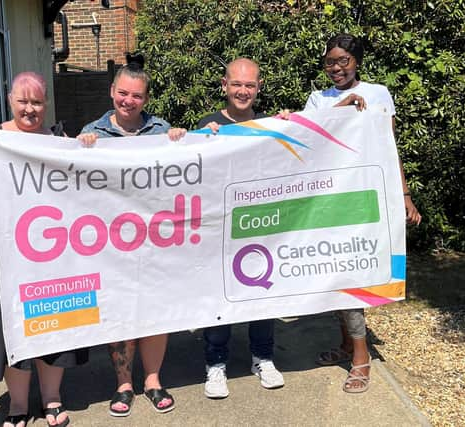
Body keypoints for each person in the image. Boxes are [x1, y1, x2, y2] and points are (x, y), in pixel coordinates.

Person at [0, 72, 88, 427]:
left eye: (37, 102)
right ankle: (18, 405)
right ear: (10, 100)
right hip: (2, 240)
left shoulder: (57, 140)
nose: (30, 108)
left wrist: (86, 147)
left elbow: (83, 180)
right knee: (10, 316)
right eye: (23, 101)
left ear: (46, 105)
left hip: (52, 242)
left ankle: (52, 400)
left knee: (52, 309)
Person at [302, 34, 422, 393]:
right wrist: (340, 111)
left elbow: (389, 147)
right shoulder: (317, 99)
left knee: (353, 274)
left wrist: (404, 194)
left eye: (344, 61)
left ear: (357, 61)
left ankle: (361, 357)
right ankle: (345, 345)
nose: (336, 68)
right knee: (335, 274)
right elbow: (306, 139)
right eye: (330, 62)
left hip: (363, 198)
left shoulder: (379, 93)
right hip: (327, 199)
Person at [77, 53, 183, 417]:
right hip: (110, 243)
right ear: (112, 91)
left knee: (155, 310)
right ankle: (123, 384)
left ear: (146, 99)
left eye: (137, 96)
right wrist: (79, 149)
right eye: (123, 93)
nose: (128, 101)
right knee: (119, 310)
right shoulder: (92, 132)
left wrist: (179, 140)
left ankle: (153, 380)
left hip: (154, 239)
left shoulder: (160, 130)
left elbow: (183, 171)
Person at [197, 58, 284, 399]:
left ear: (258, 88)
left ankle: (262, 357)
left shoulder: (271, 127)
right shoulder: (207, 126)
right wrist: (195, 140)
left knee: (262, 292)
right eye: (237, 84)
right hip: (220, 229)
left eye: (250, 85)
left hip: (261, 225)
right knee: (220, 295)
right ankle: (215, 364)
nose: (243, 91)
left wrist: (293, 125)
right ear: (224, 85)